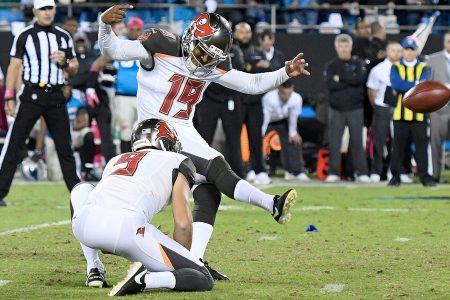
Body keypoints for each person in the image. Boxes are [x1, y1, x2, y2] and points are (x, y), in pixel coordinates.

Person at [98, 5, 308, 281]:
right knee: (215, 166)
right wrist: (104, 25)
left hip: (183, 129)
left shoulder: (213, 64)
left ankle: (193, 259)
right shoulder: (160, 45)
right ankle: (271, 203)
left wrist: (285, 72)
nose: (202, 62)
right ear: (189, 39)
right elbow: (113, 50)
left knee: (209, 190)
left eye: (210, 57)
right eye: (200, 52)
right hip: (154, 131)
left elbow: (252, 83)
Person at [71, 118, 214, 296]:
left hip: (84, 225)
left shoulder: (116, 160)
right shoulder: (178, 160)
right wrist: (180, 261)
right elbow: (183, 223)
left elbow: (107, 246)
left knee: (81, 189)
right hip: (125, 228)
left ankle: (94, 269)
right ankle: (145, 280)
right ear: (165, 142)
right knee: (202, 277)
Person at [0, 0, 80, 207]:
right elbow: (14, 67)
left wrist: (65, 62)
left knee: (65, 148)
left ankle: (78, 193)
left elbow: (74, 67)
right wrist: (9, 96)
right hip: (32, 94)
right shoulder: (25, 35)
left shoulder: (63, 36)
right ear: (34, 10)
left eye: (50, 8)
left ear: (55, 10)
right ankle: (0, 192)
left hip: (55, 96)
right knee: (14, 142)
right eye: (42, 8)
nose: (46, 12)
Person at [87, 17, 144, 155]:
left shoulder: (148, 44)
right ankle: (126, 161)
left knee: (144, 133)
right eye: (132, 29)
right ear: (127, 29)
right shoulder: (120, 43)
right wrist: (90, 86)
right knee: (125, 130)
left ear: (142, 30)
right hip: (122, 96)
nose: (135, 32)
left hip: (143, 96)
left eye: (138, 30)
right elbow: (97, 64)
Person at [388, 37, 435, 187]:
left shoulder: (423, 67)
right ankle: (395, 177)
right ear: (402, 51)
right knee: (398, 147)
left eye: (411, 49)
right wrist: (415, 84)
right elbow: (397, 84)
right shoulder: (395, 67)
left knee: (421, 147)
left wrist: (412, 86)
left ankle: (425, 177)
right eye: (406, 49)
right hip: (400, 114)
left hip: (419, 114)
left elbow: (423, 86)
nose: (409, 52)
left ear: (416, 51)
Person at [323, 34, 370, 183]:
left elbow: (360, 80)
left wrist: (341, 79)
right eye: (341, 46)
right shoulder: (331, 65)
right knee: (334, 142)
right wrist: (350, 80)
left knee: (357, 142)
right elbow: (331, 85)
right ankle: (333, 172)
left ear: (350, 47)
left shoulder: (359, 63)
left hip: (355, 108)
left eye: (346, 46)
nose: (343, 49)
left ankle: (361, 172)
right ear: (336, 47)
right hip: (336, 109)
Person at [195, 43, 245, 178]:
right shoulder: (204, 49)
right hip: (209, 98)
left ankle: (237, 172)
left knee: (234, 138)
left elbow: (238, 71)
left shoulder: (234, 50)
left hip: (230, 98)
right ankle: (199, 171)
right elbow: (199, 70)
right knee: (204, 137)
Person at [234, 22, 272, 185]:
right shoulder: (231, 51)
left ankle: (260, 170)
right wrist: (253, 68)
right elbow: (236, 72)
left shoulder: (258, 51)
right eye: (241, 32)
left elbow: (265, 73)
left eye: (247, 32)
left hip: (255, 102)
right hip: (236, 101)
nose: (244, 35)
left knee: (256, 138)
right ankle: (239, 170)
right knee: (234, 139)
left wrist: (250, 68)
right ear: (235, 34)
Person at [366, 41, 402, 182]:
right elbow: (371, 91)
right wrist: (378, 107)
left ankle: (395, 172)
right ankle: (376, 171)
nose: (396, 53)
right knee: (379, 141)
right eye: (393, 50)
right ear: (387, 52)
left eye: (399, 50)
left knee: (397, 142)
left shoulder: (405, 68)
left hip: (400, 108)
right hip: (382, 108)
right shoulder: (378, 69)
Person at [262, 80, 310, 181]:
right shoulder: (269, 98)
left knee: (295, 139)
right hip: (268, 121)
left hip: (283, 121)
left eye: (289, 93)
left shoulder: (296, 99)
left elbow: (293, 117)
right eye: (284, 93)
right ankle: (256, 170)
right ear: (278, 90)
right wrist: (260, 134)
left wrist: (293, 133)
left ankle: (295, 171)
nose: (286, 97)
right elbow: (265, 119)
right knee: (255, 141)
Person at [427, 31, 450, 183]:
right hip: (439, 109)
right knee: (436, 143)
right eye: (449, 41)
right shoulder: (432, 60)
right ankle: (435, 175)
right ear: (444, 42)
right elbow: (425, 85)